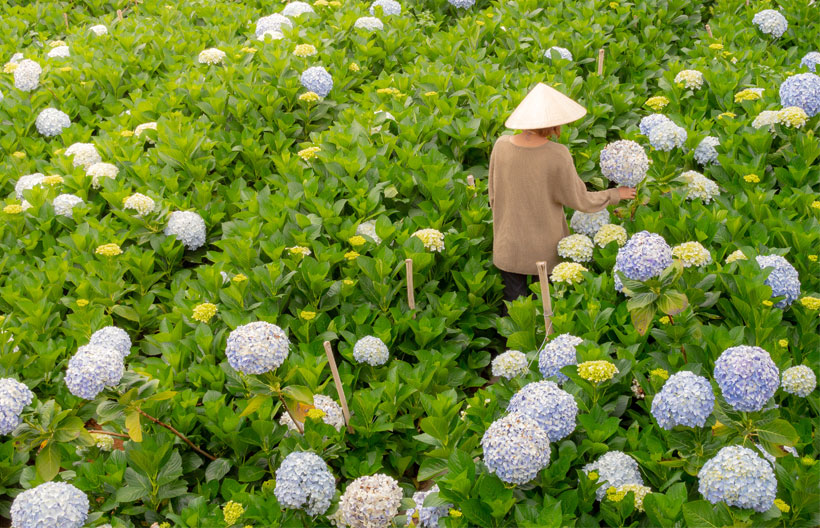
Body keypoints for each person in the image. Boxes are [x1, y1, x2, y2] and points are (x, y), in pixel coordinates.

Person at [488, 82, 636, 315]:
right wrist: (616, 194)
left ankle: (512, 350)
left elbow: (493, 195)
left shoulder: (501, 146)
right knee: (546, 313)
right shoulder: (557, 154)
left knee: (514, 316)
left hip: (508, 246)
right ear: (553, 123)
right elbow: (580, 200)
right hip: (544, 253)